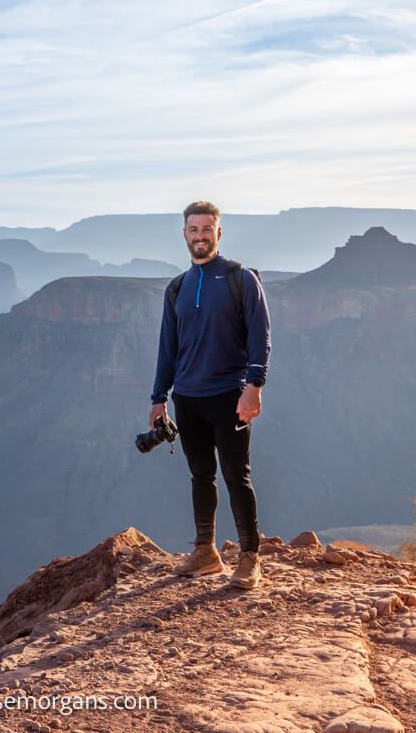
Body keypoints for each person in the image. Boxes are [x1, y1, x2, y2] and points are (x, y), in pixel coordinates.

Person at [149, 201, 271, 588]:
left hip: (228, 394)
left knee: (237, 476)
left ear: (218, 233)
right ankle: (207, 551)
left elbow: (260, 335)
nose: (200, 236)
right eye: (193, 229)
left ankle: (250, 557)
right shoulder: (177, 288)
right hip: (187, 397)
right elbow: (168, 346)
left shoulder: (240, 278)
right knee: (200, 476)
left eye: (207, 229)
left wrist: (253, 387)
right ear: (184, 234)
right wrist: (158, 398)